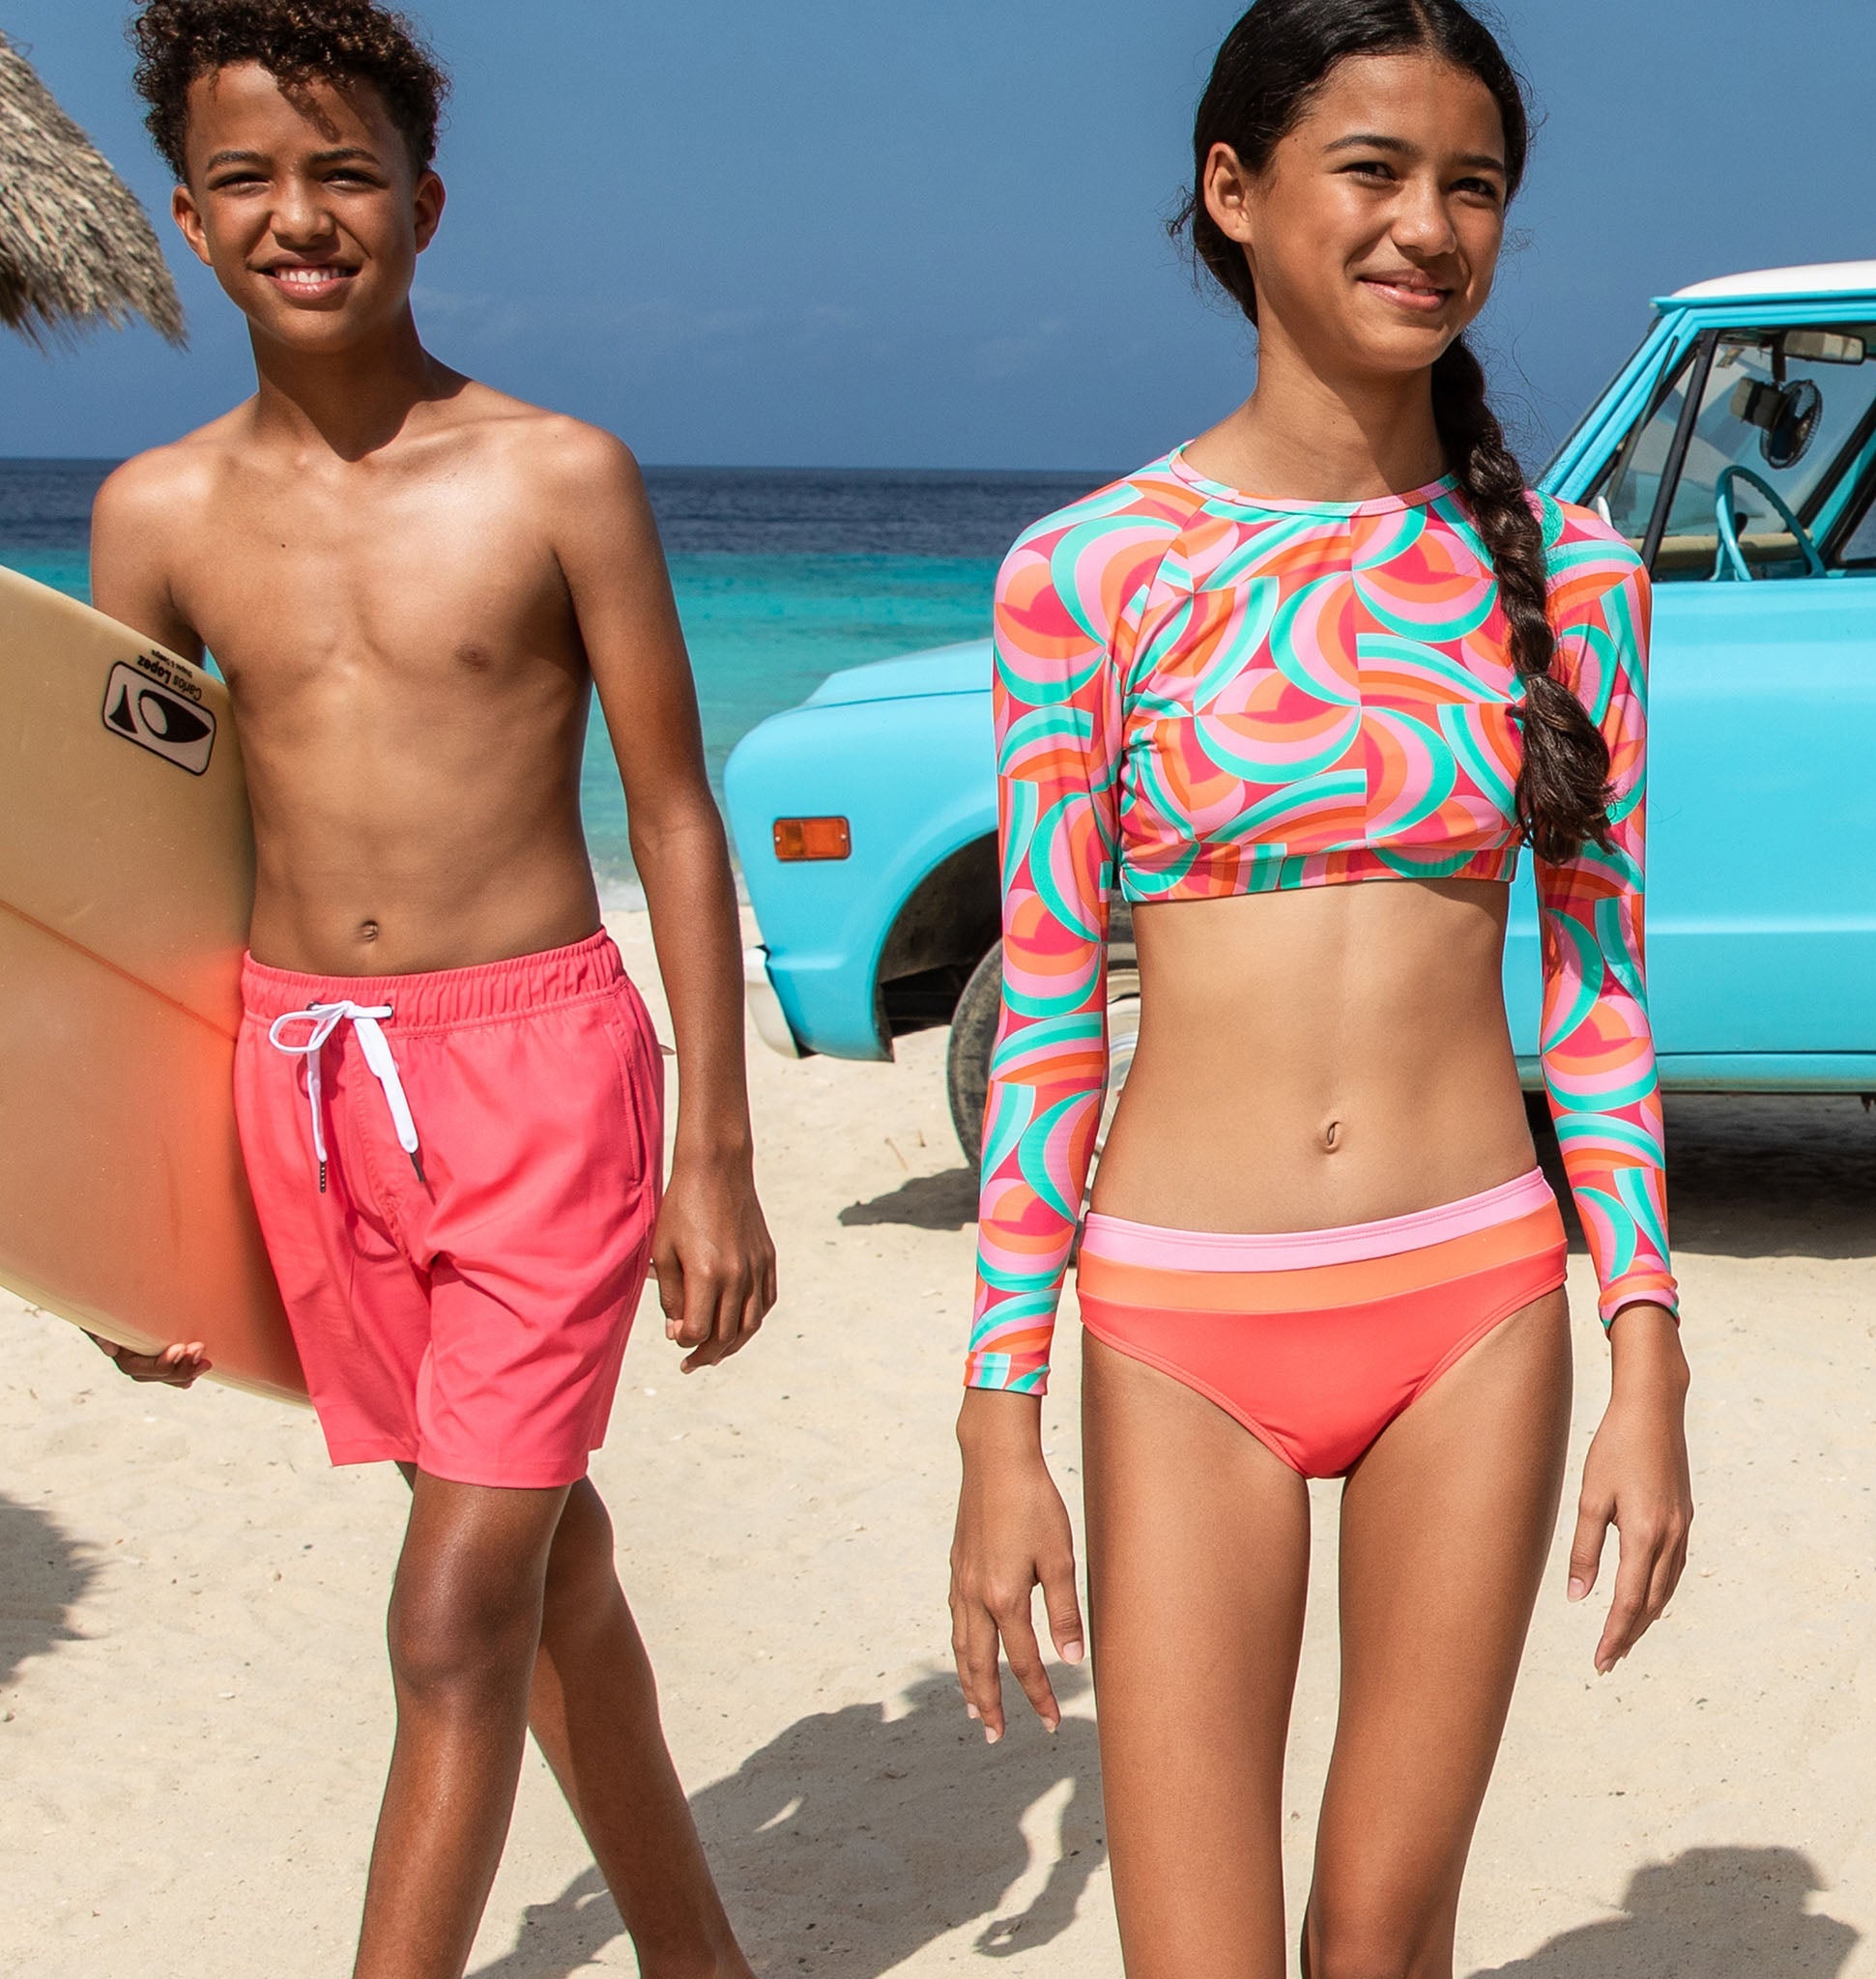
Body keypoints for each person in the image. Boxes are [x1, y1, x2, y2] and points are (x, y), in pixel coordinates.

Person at [947, 3, 1693, 1974]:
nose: (1428, 226)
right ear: (1234, 189)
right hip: (1178, 1324)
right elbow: (1048, 1021)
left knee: (1379, 1940)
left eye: (1474, 185)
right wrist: (997, 1418)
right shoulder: (1088, 574)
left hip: (1475, 1308)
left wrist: (1647, 1356)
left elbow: (1599, 1003)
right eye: (1373, 170)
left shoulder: (1579, 583)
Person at [89, 5, 772, 1974]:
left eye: (345, 174)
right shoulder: (152, 518)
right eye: (246, 180)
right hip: (301, 1088)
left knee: (451, 1611)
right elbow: (132, 883)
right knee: (551, 1569)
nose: (299, 217)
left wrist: (716, 1153)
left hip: (542, 1076)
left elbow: (675, 813)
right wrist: (125, 1223)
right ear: (189, 220)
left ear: (425, 201)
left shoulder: (559, 476)